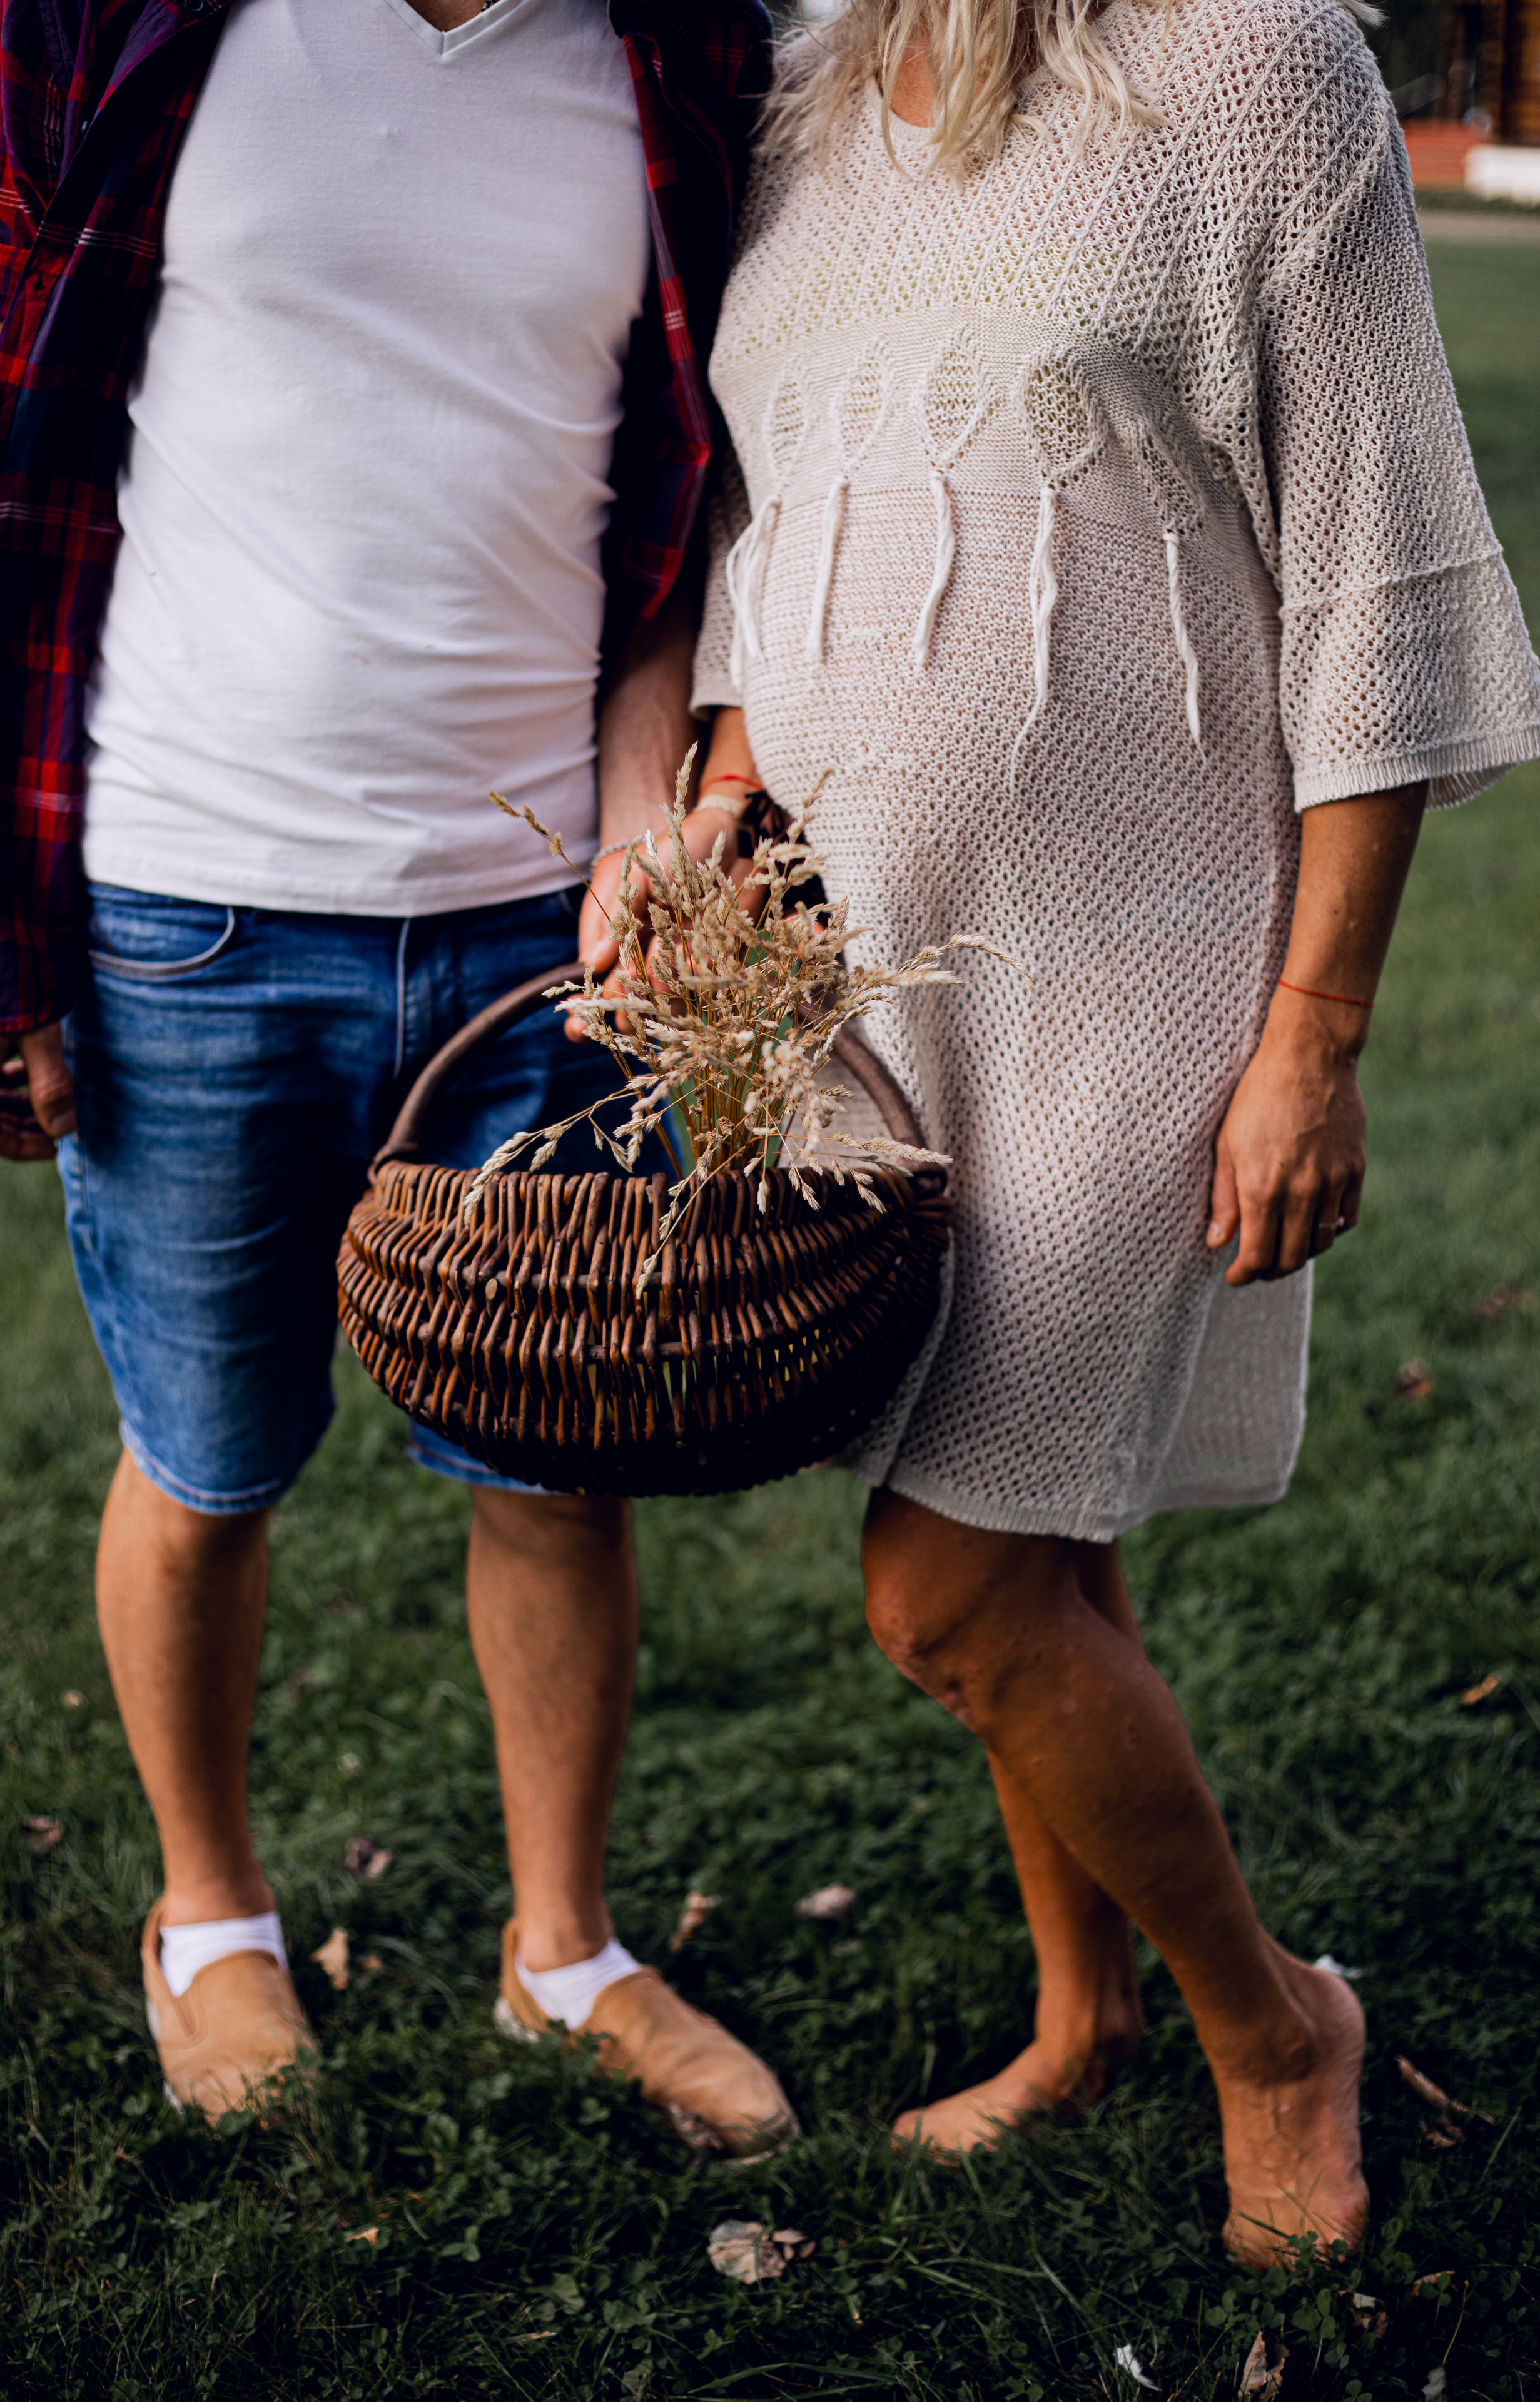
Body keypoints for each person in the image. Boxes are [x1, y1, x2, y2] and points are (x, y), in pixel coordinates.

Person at [664, 0, 1540, 2259]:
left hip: (1135, 974)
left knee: (947, 1590)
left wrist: (1315, 1030)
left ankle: (1275, 2033)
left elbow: (1380, 572)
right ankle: (1085, 2022)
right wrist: (722, 795)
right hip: (873, 982)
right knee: (1044, 1559)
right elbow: (773, 511)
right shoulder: (816, 91)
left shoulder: (1257, 69)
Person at [0, 0, 796, 2157]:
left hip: (541, 939)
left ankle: (565, 1949)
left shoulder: (684, 45)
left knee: (554, 1458)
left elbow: (685, 497)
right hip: (188, 904)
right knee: (207, 1461)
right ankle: (210, 1917)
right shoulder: (97, 21)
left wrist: (637, 821)